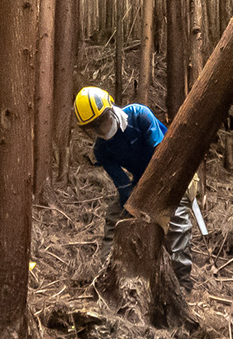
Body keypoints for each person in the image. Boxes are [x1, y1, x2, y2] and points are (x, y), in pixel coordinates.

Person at [74, 87, 194, 285]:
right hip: (141, 180)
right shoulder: (101, 149)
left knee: (176, 218)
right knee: (114, 216)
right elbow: (123, 187)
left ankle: (182, 283)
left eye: (102, 120)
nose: (101, 129)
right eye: (94, 126)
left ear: (111, 109)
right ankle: (109, 275)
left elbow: (161, 155)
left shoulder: (139, 116)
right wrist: (132, 208)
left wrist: (155, 193)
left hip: (170, 171)